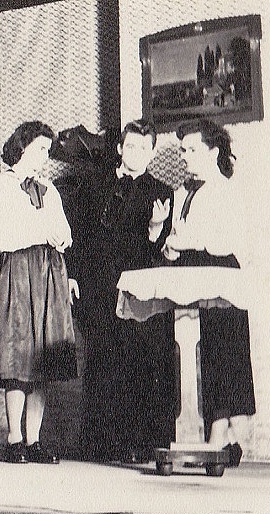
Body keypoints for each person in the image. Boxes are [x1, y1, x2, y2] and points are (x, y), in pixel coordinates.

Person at [69, 119, 176, 463]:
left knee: (135, 362)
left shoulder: (161, 192)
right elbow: (77, 235)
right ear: (119, 149)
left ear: (152, 152)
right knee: (102, 359)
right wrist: (72, 276)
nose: (137, 153)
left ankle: (137, 443)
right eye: (131, 146)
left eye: (144, 148)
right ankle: (100, 445)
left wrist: (155, 228)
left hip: (136, 289)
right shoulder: (92, 185)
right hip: (98, 285)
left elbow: (159, 252)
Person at [0, 121, 77, 464]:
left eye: (47, 151)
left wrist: (61, 238)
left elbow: (63, 232)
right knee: (18, 354)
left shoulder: (49, 189)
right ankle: (14, 439)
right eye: (39, 149)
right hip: (19, 271)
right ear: (21, 147)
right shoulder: (0, 186)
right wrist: (38, 232)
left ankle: (34, 440)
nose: (44, 157)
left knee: (42, 358)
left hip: (49, 272)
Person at [161, 118, 254, 467]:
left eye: (192, 149)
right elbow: (180, 236)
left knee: (225, 353)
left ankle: (221, 438)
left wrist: (186, 241)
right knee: (203, 351)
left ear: (213, 152)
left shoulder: (226, 190)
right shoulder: (187, 192)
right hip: (194, 273)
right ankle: (219, 440)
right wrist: (171, 247)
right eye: (183, 150)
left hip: (221, 273)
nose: (186, 156)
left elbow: (225, 240)